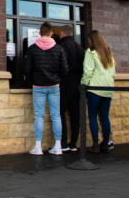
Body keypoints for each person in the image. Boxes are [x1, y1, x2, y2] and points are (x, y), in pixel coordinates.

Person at [23, 22, 68, 155]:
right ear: (51, 34)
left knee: (39, 116)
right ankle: (58, 146)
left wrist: (32, 81)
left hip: (38, 87)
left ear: (39, 33)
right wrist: (57, 79)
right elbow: (65, 70)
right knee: (56, 115)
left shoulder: (32, 49)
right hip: (54, 86)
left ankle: (38, 147)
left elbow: (27, 69)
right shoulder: (59, 49)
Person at [80, 30, 116, 153]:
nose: (88, 41)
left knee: (92, 116)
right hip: (108, 89)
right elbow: (113, 73)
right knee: (105, 117)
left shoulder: (91, 53)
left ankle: (95, 144)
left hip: (95, 89)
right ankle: (106, 143)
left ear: (93, 40)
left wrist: (83, 85)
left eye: (89, 39)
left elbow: (88, 71)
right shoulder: (108, 53)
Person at [57, 24, 84, 152]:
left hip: (65, 82)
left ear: (62, 33)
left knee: (60, 112)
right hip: (78, 84)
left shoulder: (62, 47)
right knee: (75, 114)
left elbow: (61, 65)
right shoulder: (80, 47)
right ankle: (74, 143)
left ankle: (63, 143)